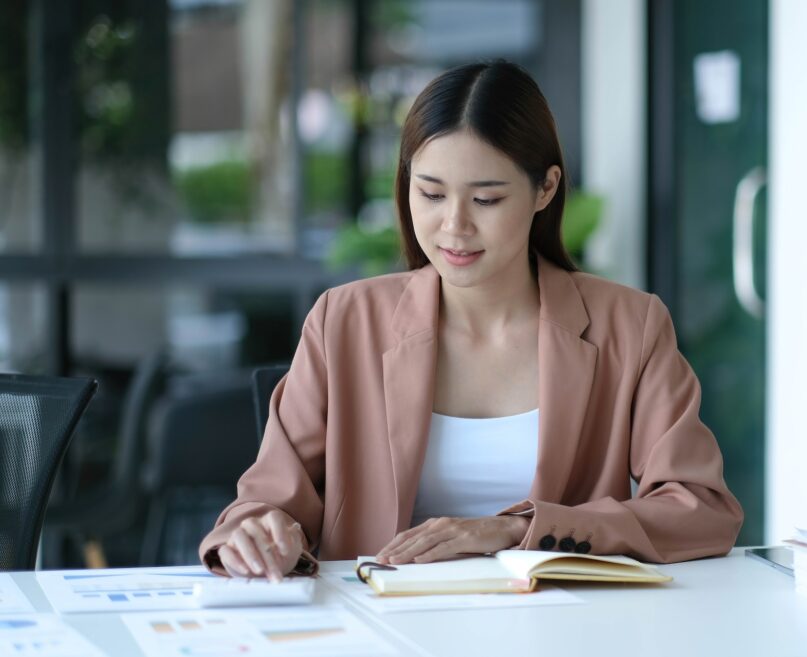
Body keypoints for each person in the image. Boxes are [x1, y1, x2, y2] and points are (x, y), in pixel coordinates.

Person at [199, 61, 743, 581]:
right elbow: (267, 503)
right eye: (431, 194)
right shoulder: (343, 321)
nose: (453, 226)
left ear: (545, 189)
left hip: (564, 627)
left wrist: (514, 531)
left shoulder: (630, 324)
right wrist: (261, 534)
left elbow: (700, 509)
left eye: (485, 198)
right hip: (381, 624)